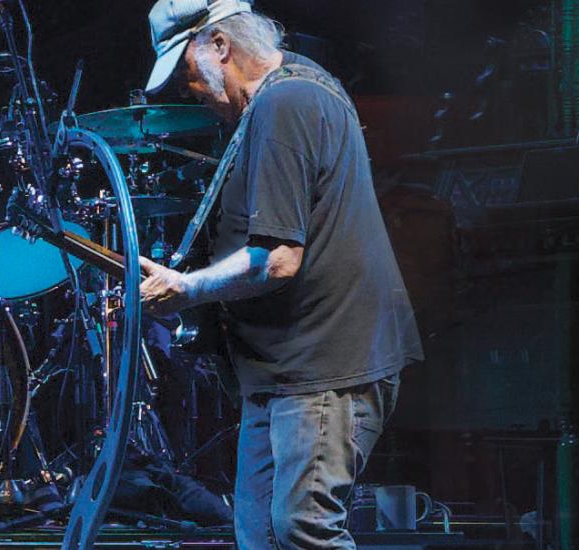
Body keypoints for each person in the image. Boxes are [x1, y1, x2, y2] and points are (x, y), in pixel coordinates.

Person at [134, 1, 423, 547]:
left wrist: (188, 288)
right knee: (262, 534)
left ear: (220, 45)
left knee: (301, 530)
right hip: (289, 371)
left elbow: (278, 258)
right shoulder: (295, 89)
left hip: (325, 367)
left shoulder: (285, 103)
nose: (186, 88)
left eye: (186, 70)